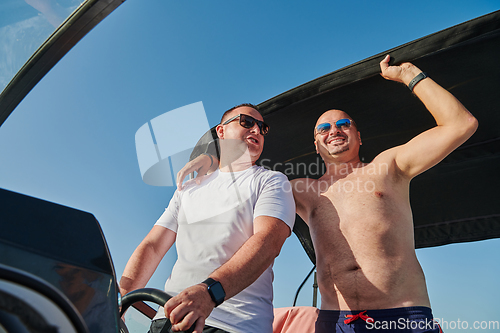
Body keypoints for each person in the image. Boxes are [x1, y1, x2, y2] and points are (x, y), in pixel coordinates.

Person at [178, 55, 478, 332]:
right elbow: (243, 180)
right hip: (334, 321)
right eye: (324, 128)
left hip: (401, 315)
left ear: (358, 136)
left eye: (343, 124)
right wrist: (214, 159)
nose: (334, 130)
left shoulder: (390, 166)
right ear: (317, 144)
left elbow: (460, 124)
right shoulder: (298, 188)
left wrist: (408, 74)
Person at [120, 104, 296, 333]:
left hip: (232, 325)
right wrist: (122, 304)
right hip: (167, 319)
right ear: (221, 132)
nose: (257, 130)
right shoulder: (188, 188)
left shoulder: (271, 181)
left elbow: (268, 241)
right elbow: (153, 245)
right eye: (246, 122)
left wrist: (210, 292)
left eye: (263, 128)